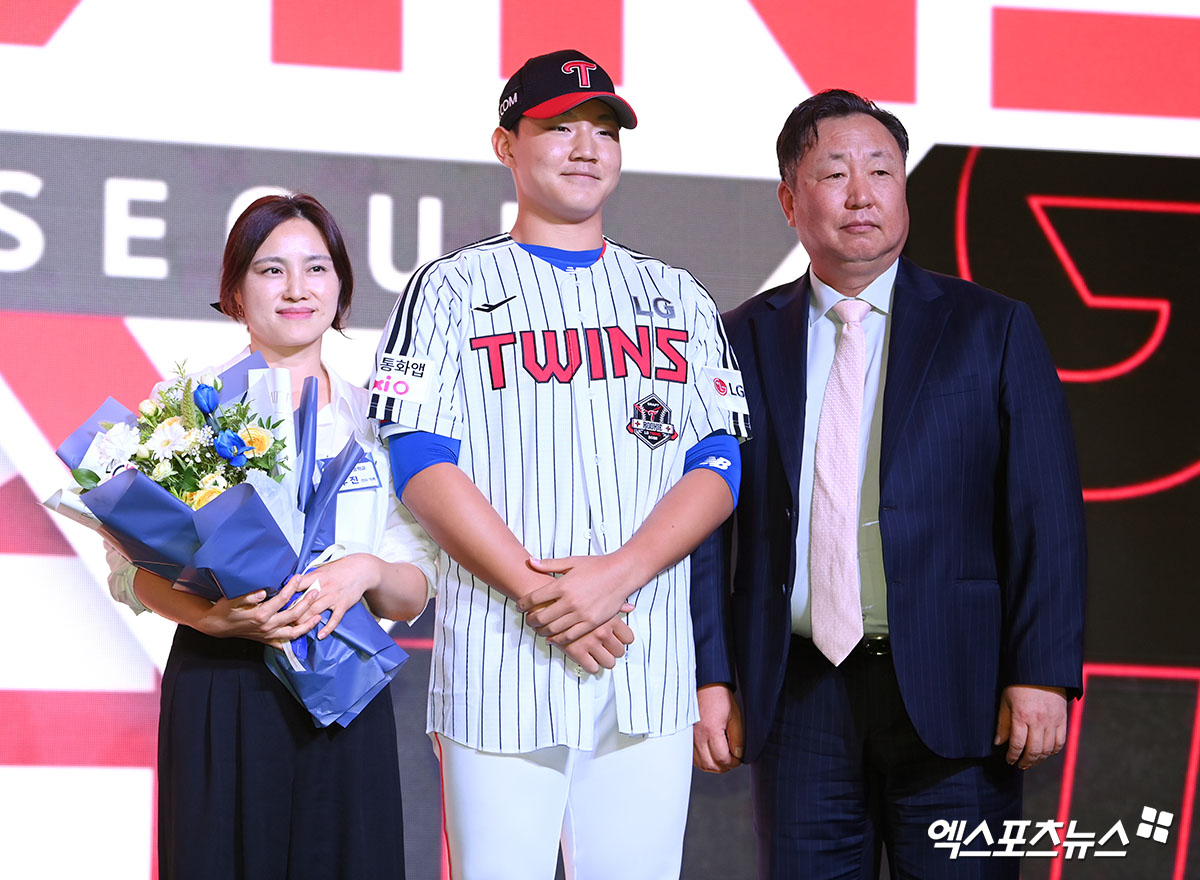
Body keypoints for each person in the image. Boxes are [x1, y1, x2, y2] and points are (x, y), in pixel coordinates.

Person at [368, 49, 750, 880]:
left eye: (605, 131)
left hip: (641, 660)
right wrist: (547, 593)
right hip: (500, 658)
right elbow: (419, 460)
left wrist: (614, 576)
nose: (587, 146)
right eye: (560, 127)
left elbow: (718, 464)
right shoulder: (449, 287)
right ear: (506, 145)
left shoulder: (676, 294)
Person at [691, 90, 1087, 879]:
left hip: (958, 690)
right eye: (835, 173)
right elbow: (705, 527)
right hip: (796, 693)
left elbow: (1046, 511)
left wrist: (1042, 670)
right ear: (789, 200)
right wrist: (709, 675)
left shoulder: (991, 326)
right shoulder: (735, 337)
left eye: (882, 170)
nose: (862, 193)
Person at [106, 193, 437, 879]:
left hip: (345, 688)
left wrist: (367, 572)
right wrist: (215, 618)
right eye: (270, 270)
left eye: (316, 269)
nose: (296, 289)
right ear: (233, 290)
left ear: (341, 287)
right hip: (223, 687)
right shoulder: (182, 421)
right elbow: (133, 573)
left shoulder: (379, 426)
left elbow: (412, 594)